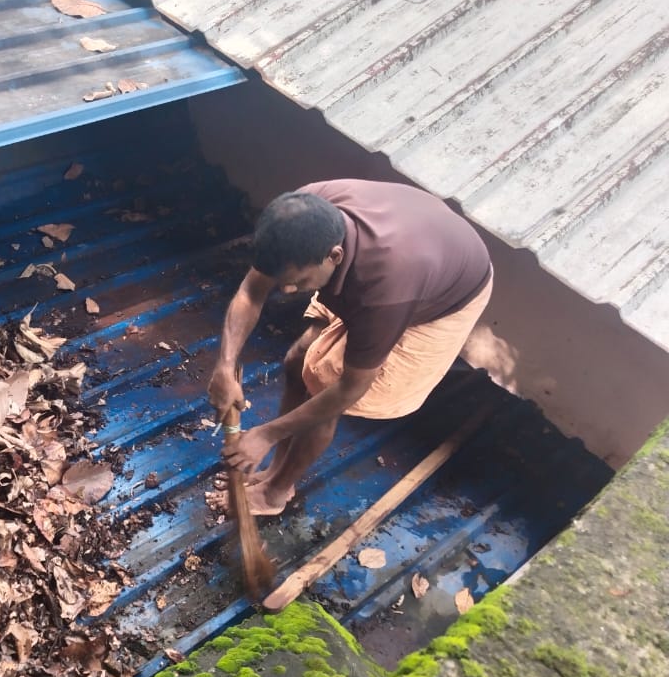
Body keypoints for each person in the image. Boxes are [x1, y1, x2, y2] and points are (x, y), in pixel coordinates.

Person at [207, 178, 494, 516]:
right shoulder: (298, 216)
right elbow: (250, 292)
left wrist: (266, 435)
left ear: (334, 256)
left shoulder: (384, 292)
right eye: (282, 281)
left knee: (324, 386)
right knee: (297, 361)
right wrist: (225, 366)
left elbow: (350, 389)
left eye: (297, 282)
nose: (286, 291)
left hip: (445, 294)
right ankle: (275, 470)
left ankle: (276, 493)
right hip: (414, 244)